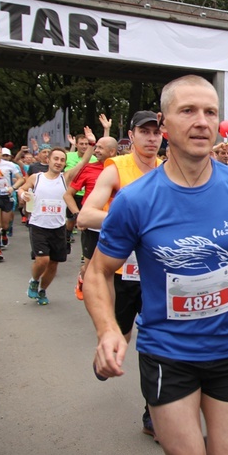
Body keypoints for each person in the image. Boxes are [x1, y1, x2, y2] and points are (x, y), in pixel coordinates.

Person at [84, 75, 228, 455]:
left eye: (210, 112)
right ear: (165, 126)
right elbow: (99, 272)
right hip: (168, 353)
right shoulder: (135, 200)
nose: (201, 121)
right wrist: (107, 330)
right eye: (188, 111)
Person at [77, 110, 163, 438]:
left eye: (157, 132)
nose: (152, 138)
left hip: (159, 271)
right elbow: (86, 215)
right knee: (123, 333)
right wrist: (133, 222)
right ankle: (109, 350)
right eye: (145, 132)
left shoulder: (168, 169)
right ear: (132, 135)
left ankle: (152, 412)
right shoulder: (117, 169)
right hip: (125, 269)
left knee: (156, 342)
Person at [63, 133, 118, 300]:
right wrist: (79, 215)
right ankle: (83, 279)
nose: (95, 150)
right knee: (89, 267)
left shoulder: (120, 169)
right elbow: (68, 195)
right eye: (96, 147)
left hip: (114, 226)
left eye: (100, 147)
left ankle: (105, 300)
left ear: (112, 152)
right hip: (92, 227)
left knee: (113, 269)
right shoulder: (88, 169)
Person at [17, 148, 67, 304]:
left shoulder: (66, 178)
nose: (58, 162)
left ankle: (42, 291)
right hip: (38, 225)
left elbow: (84, 161)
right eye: (55, 158)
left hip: (58, 227)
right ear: (48, 160)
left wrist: (92, 142)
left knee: (53, 264)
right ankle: (34, 280)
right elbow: (22, 188)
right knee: (43, 260)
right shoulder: (36, 178)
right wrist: (22, 195)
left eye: (62, 160)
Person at [0, 143, 25, 260]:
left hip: (7, 197)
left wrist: (13, 188)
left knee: (5, 224)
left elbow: (21, 179)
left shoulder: (9, 165)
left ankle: (4, 233)